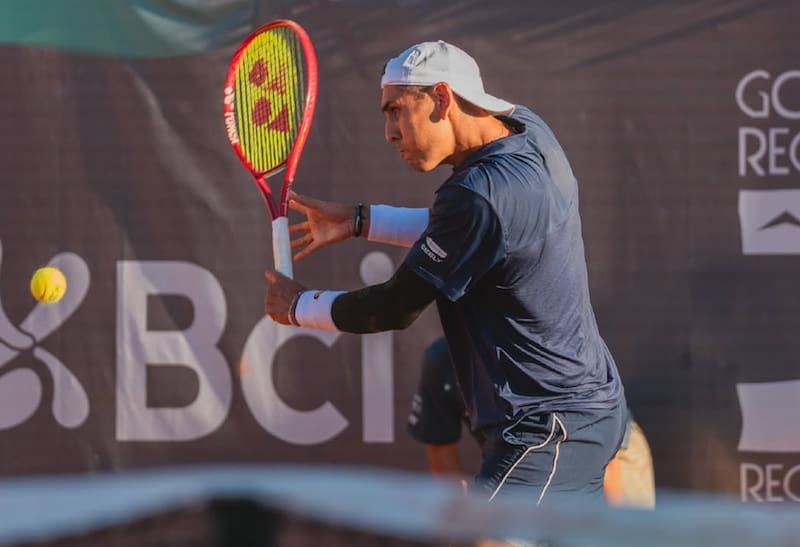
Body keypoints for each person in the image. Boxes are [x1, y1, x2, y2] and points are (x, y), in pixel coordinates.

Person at [264, 40, 627, 510]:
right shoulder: (528, 131)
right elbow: (473, 236)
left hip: (547, 427)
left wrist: (298, 308)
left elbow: (392, 307)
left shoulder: (480, 194)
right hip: (582, 412)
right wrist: (360, 220)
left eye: (396, 112)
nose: (390, 132)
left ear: (441, 97)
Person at [408, 337, 655, 508]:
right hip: (526, 466)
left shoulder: (553, 350)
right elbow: (442, 455)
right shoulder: (441, 361)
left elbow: (605, 453)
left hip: (612, 452)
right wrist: (464, 519)